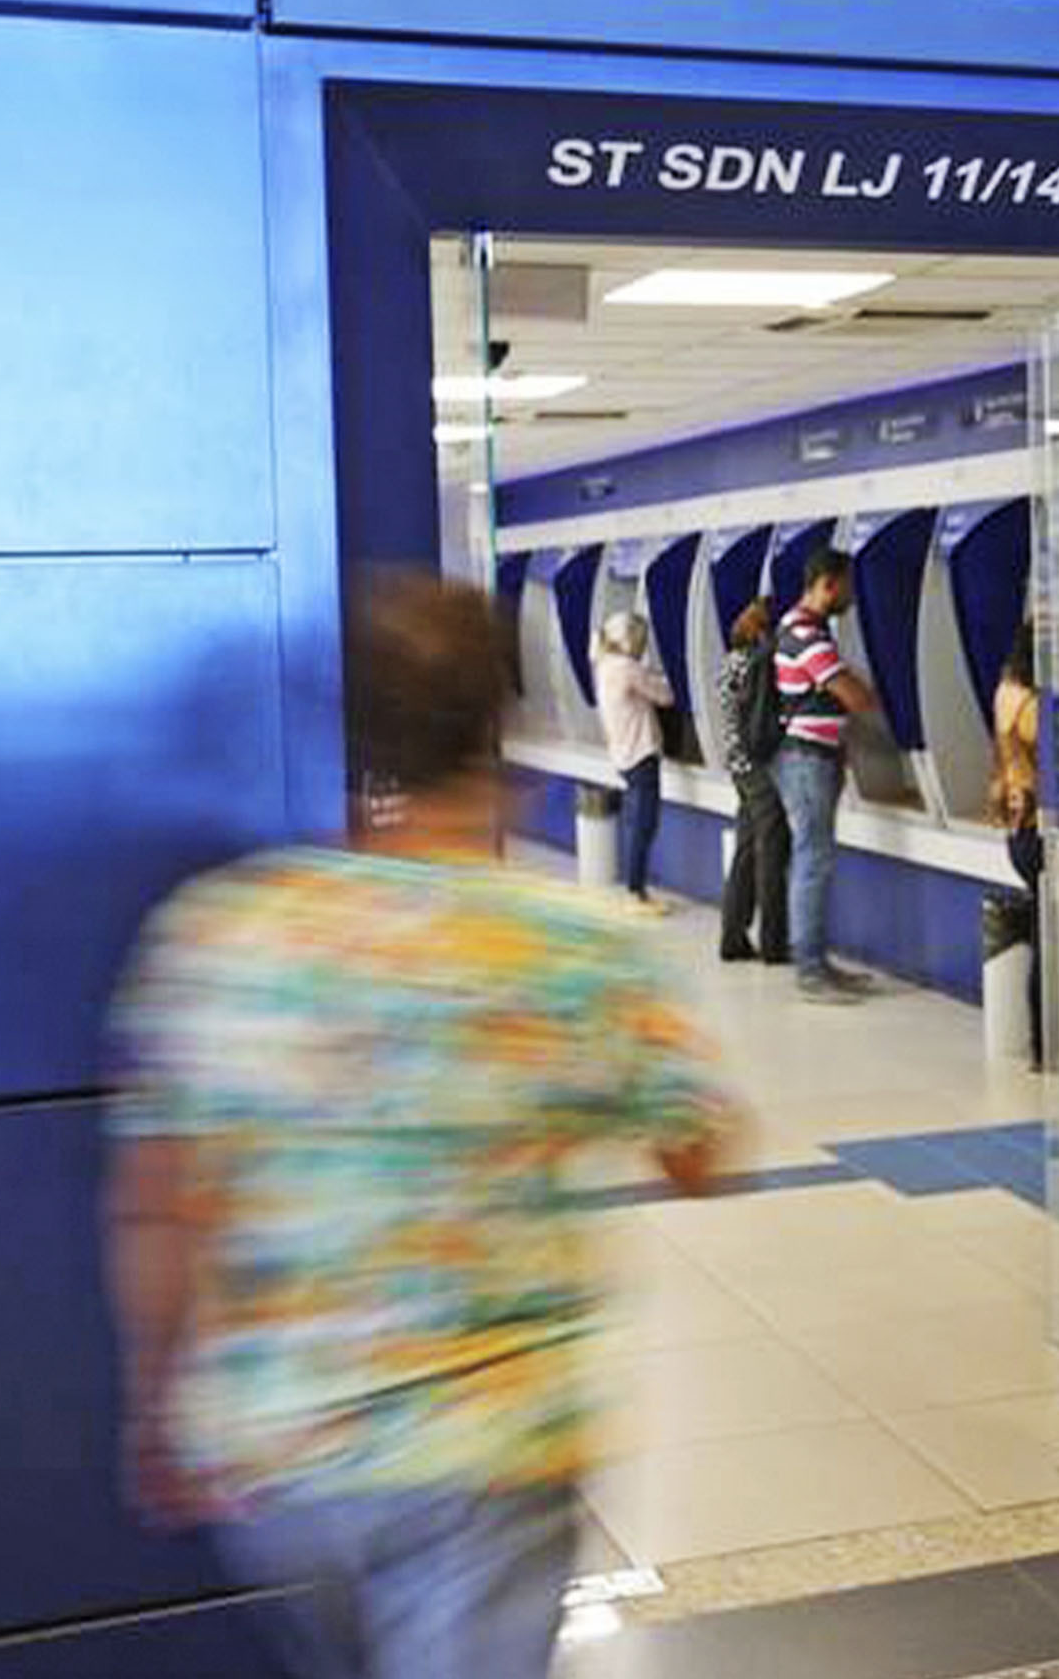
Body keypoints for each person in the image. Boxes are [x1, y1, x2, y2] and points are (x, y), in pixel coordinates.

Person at [104, 572, 735, 1679]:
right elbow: (699, 1153)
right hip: (490, 1451)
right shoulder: (573, 945)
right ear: (497, 727)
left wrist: (156, 1404)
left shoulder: (225, 932)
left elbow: (159, 1201)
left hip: (283, 1447)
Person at [773, 547, 882, 1004]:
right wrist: (865, 692)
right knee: (812, 861)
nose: (852, 594)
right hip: (806, 761)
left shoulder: (801, 627)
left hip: (815, 757)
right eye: (848, 585)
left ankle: (818, 962)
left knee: (813, 859)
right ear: (828, 584)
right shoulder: (806, 634)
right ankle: (810, 971)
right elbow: (855, 697)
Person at [712, 599, 790, 965]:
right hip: (760, 765)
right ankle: (774, 943)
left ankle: (733, 936)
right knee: (771, 850)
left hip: (738, 765)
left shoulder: (730, 661)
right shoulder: (759, 662)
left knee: (746, 850)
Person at [987, 618, 1045, 1065]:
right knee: (1050, 942)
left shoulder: (1005, 692)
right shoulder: (1034, 705)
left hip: (1018, 827)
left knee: (1043, 931)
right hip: (1040, 825)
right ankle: (1044, 1042)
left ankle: (1041, 1041)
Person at [594, 608, 676, 913]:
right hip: (641, 755)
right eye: (640, 638)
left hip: (622, 754)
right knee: (644, 824)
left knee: (637, 822)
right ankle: (635, 892)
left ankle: (636, 889)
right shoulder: (627, 668)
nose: (643, 644)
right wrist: (669, 676)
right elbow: (666, 696)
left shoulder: (604, 665)